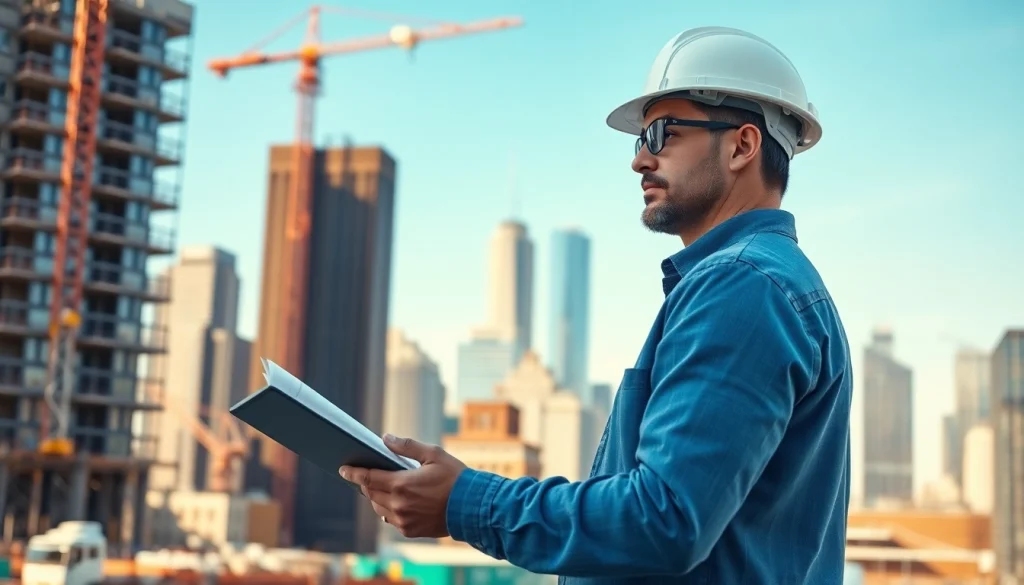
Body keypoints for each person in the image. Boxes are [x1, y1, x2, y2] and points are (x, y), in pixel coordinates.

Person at [340, 26, 852, 585]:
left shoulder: (744, 286)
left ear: (742, 146)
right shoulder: (761, 284)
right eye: (639, 141)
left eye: (662, 134)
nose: (640, 161)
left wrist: (466, 502)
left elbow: (664, 519)